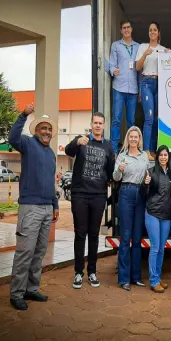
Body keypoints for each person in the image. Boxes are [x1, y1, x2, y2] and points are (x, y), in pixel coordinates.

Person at [8, 104, 59, 311]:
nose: (46, 132)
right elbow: (12, 138)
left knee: (39, 253)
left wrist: (55, 205)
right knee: (25, 252)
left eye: (49, 129)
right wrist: (23, 115)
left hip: (47, 208)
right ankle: (16, 293)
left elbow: (51, 182)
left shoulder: (52, 154)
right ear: (36, 130)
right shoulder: (28, 144)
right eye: (43, 128)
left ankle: (31, 288)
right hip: (30, 208)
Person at [65, 112, 115, 290]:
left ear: (104, 125)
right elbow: (68, 151)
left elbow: (111, 172)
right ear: (91, 124)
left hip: (98, 195)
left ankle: (92, 272)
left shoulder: (108, 147)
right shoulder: (82, 140)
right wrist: (76, 142)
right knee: (80, 233)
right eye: (95, 123)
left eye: (101, 123)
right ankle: (78, 272)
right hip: (80, 194)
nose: (98, 126)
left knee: (94, 235)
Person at [113, 126, 149, 291]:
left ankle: (136, 277)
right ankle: (123, 279)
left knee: (137, 238)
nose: (134, 139)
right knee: (125, 237)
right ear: (128, 138)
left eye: (136, 137)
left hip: (140, 194)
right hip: (126, 192)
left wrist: (147, 180)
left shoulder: (144, 156)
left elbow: (146, 175)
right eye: (131, 136)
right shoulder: (122, 156)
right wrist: (119, 170)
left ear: (139, 139)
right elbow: (115, 177)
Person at [143, 145, 171, 293]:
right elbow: (144, 193)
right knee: (155, 248)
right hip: (153, 213)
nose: (163, 157)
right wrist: (145, 184)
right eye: (161, 155)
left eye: (165, 155)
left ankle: (158, 277)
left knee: (161, 248)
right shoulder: (151, 172)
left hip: (166, 215)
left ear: (168, 157)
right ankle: (153, 280)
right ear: (157, 157)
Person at [135, 22, 168, 161]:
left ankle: (153, 150)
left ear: (158, 33)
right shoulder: (143, 47)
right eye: (150, 30)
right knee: (148, 118)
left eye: (155, 30)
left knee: (156, 119)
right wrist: (145, 54)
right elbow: (137, 67)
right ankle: (146, 150)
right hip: (147, 82)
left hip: (159, 83)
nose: (152, 32)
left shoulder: (162, 49)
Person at [109, 19, 140, 154]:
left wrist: (140, 90)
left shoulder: (138, 47)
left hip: (133, 88)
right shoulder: (116, 45)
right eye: (124, 28)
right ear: (121, 30)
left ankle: (130, 150)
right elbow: (111, 64)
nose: (126, 30)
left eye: (128, 27)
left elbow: (140, 68)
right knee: (116, 119)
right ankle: (114, 150)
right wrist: (112, 70)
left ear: (131, 29)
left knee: (131, 121)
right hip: (119, 87)